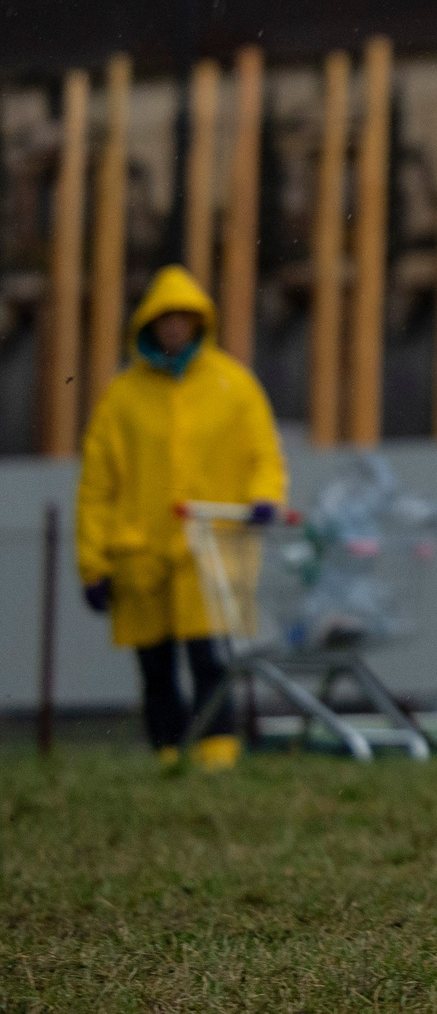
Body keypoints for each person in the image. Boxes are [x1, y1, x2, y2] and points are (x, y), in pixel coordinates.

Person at [76, 266, 288, 770]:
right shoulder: (122, 398)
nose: (174, 328)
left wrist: (263, 498)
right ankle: (167, 752)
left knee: (211, 657)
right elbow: (97, 486)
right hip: (141, 552)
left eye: (184, 319)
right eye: (166, 319)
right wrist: (93, 562)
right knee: (155, 664)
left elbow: (265, 453)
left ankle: (217, 749)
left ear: (199, 323)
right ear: (149, 323)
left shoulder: (232, 384)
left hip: (210, 550)